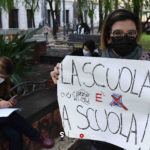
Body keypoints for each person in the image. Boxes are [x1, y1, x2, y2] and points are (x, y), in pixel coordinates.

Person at [50, 9, 150, 150]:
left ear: (136, 35)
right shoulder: (91, 67)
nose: (125, 37)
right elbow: (81, 96)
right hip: (102, 141)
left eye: (131, 33)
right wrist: (63, 80)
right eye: (118, 33)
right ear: (108, 37)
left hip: (139, 140)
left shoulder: (147, 65)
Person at [0, 56, 54, 150]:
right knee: (12, 116)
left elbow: (2, 98)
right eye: (2, 77)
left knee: (15, 135)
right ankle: (37, 137)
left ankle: (37, 137)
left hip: (2, 118)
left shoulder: (4, 82)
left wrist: (9, 102)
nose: (3, 79)